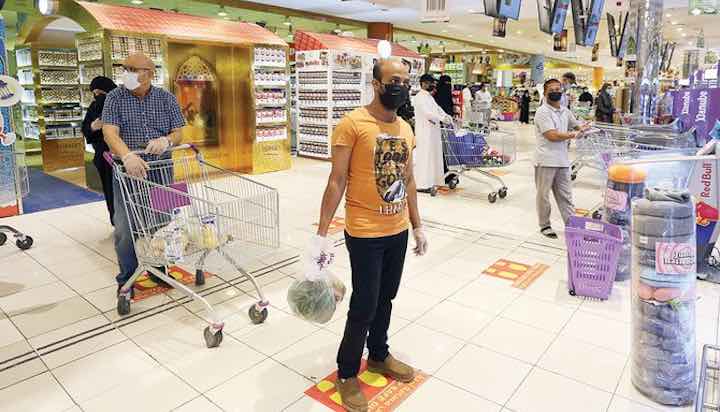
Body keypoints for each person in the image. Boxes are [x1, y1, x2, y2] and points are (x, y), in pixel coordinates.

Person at [315, 58, 427, 412]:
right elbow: (336, 181)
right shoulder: (352, 124)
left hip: (397, 230)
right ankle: (347, 373)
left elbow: (409, 179)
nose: (401, 86)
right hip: (364, 232)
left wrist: (417, 225)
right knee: (364, 303)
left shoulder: (406, 128)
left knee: (386, 298)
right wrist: (321, 234)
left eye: (406, 81)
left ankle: (378, 354)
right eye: (394, 80)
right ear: (376, 84)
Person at [102, 53, 186, 295]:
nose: (127, 73)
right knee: (125, 226)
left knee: (162, 221)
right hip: (129, 171)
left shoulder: (166, 98)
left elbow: (178, 132)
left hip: (162, 168)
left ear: (150, 74)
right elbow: (110, 133)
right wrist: (127, 156)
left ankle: (160, 268)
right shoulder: (114, 97)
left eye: (134, 69)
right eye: (125, 68)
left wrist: (166, 141)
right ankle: (127, 277)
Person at [534, 78, 589, 239]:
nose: (555, 92)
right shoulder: (542, 112)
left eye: (558, 89)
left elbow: (576, 125)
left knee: (566, 195)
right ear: (545, 93)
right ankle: (545, 225)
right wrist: (573, 134)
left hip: (562, 160)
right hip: (545, 160)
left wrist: (584, 129)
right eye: (551, 90)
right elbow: (551, 135)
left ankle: (572, 226)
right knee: (543, 195)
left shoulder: (565, 111)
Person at [82, 76, 117, 225]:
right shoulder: (94, 106)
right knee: (110, 190)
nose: (97, 96)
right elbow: (85, 128)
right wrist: (93, 126)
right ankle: (116, 221)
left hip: (124, 155)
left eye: (100, 92)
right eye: (95, 93)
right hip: (104, 157)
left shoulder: (121, 102)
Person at [413, 74, 453, 193]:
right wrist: (441, 118)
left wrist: (446, 116)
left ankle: (433, 181)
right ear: (423, 83)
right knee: (425, 157)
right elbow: (427, 113)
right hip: (424, 132)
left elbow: (437, 108)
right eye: (430, 83)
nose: (433, 85)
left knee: (433, 156)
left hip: (433, 131)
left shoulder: (429, 97)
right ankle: (422, 184)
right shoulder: (419, 97)